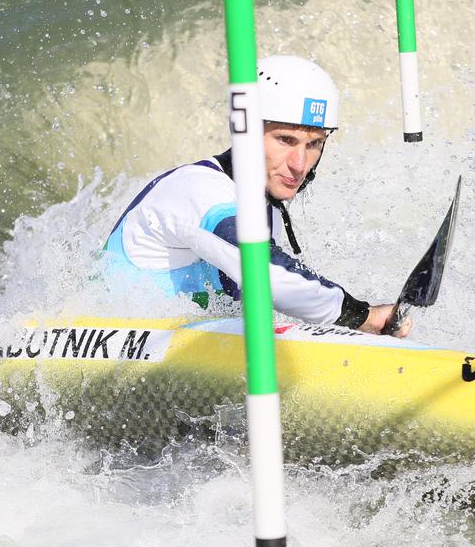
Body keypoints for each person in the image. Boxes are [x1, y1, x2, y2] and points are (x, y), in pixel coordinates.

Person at [103, 55, 408, 336]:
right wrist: (362, 315)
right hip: (105, 352)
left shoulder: (264, 208)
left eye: (314, 144)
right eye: (285, 139)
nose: (299, 164)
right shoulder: (199, 190)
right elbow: (262, 271)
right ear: (244, 132)